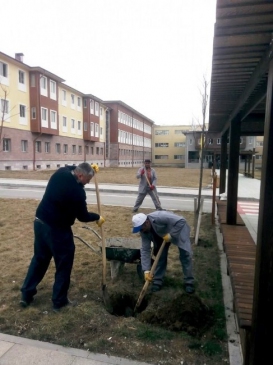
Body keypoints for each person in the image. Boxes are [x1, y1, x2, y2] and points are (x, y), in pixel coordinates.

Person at [20, 162, 105, 312]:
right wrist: (97, 217)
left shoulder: (61, 172)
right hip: (57, 230)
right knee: (64, 262)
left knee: (40, 258)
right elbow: (83, 216)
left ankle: (26, 294)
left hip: (40, 222)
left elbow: (71, 166)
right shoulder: (77, 191)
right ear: (80, 175)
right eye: (88, 179)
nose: (89, 183)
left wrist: (90, 168)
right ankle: (59, 301)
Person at [132, 210, 195, 294]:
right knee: (160, 256)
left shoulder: (160, 217)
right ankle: (157, 281)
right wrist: (146, 270)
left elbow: (181, 220)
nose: (141, 231)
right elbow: (145, 250)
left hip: (178, 230)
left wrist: (171, 235)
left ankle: (189, 282)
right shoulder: (144, 231)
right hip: (161, 235)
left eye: (141, 228)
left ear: (147, 222)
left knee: (185, 256)